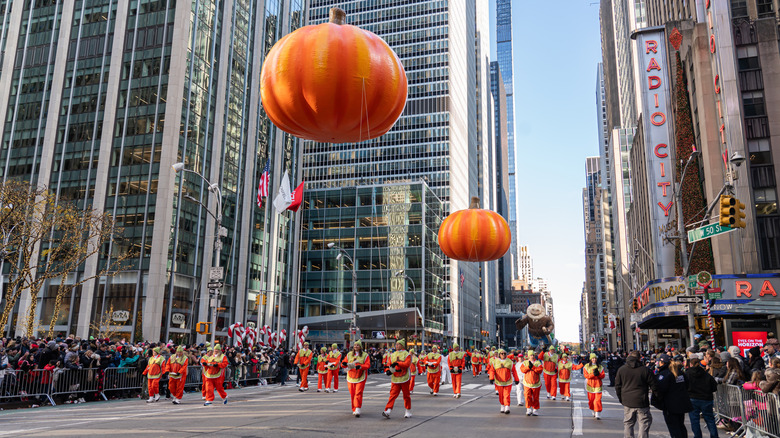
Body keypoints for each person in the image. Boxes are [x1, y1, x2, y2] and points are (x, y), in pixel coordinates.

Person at [615, 351, 655, 438]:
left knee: (628, 423)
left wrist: (621, 398)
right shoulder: (645, 370)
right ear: (639, 358)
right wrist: (657, 398)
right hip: (642, 400)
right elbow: (654, 385)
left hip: (628, 400)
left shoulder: (622, 369)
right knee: (644, 423)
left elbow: (617, 386)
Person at [654, 355, 692, 438]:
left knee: (674, 427)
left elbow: (660, 390)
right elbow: (687, 385)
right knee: (680, 425)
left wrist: (658, 402)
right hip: (681, 404)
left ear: (662, 362)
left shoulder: (664, 375)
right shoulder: (679, 373)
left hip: (670, 406)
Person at [684, 357, 719, 438]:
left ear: (691, 364)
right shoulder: (706, 374)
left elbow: (684, 386)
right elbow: (714, 387)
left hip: (692, 398)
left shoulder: (687, 374)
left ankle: (697, 436)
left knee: (694, 420)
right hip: (706, 399)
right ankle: (714, 436)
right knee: (710, 419)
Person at [383, 339, 413, 419]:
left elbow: (407, 364)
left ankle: (408, 410)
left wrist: (398, 363)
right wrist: (388, 371)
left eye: (399, 344)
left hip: (404, 377)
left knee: (406, 395)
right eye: (396, 344)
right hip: (395, 378)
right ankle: (388, 410)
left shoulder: (407, 354)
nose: (397, 346)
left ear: (402, 345)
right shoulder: (392, 354)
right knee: (392, 394)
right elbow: (389, 364)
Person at [342, 340, 370, 417]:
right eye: (355, 345)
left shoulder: (365, 355)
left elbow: (367, 365)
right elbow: (343, 363)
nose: (356, 347)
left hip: (361, 376)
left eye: (357, 345)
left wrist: (360, 366)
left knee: (358, 392)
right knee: (352, 393)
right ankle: (354, 408)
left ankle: (358, 408)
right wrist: (343, 364)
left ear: (360, 347)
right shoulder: (349, 354)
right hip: (351, 376)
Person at [493, 349, 520, 414]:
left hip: (508, 381)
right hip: (499, 382)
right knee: (501, 395)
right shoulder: (495, 361)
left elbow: (514, 371)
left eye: (504, 353)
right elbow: (492, 370)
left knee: (506, 395)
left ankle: (507, 406)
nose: (503, 355)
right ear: (499, 354)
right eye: (502, 354)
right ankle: (502, 405)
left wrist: (516, 379)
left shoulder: (509, 361)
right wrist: (491, 378)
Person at [519, 350, 543, 416]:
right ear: (528, 356)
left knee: (535, 397)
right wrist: (528, 367)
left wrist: (533, 367)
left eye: (533, 355)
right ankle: (528, 409)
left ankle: (535, 410)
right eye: (531, 355)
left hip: (536, 383)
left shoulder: (538, 362)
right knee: (527, 397)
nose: (532, 356)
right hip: (527, 383)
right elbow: (522, 370)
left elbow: (540, 370)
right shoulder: (525, 362)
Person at [583, 353, 606, 419]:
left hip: (598, 385)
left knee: (597, 400)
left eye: (595, 358)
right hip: (590, 385)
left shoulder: (600, 366)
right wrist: (593, 374)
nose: (594, 359)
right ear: (590, 359)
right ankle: (593, 409)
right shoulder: (586, 366)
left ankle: (597, 412)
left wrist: (598, 374)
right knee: (591, 400)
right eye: (593, 358)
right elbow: (586, 375)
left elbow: (603, 375)